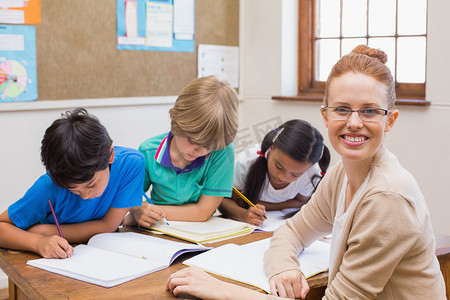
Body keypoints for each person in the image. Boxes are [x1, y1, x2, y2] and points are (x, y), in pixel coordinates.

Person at [166, 45, 446, 299]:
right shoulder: (340, 176)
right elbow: (291, 233)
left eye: (370, 111)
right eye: (342, 109)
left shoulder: (388, 197)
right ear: (325, 116)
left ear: (390, 120)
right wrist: (283, 267)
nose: (354, 122)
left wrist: (222, 290)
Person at [0, 108, 145, 259]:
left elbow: (109, 225)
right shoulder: (49, 186)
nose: (85, 195)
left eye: (91, 184)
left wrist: (44, 231)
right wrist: (38, 242)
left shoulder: (131, 164)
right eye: (74, 190)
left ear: (110, 156)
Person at [125, 76, 239, 227]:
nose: (200, 150)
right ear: (174, 118)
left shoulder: (222, 151)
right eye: (192, 141)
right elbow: (130, 197)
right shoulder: (148, 151)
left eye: (208, 146)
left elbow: (202, 212)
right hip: (158, 230)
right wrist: (138, 209)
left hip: (202, 233)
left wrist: (154, 211)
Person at [219, 119, 330, 226]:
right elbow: (222, 200)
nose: (282, 177)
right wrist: (244, 215)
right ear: (271, 149)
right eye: (278, 166)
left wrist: (263, 206)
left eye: (295, 174)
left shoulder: (311, 173)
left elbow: (301, 202)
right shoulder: (247, 161)